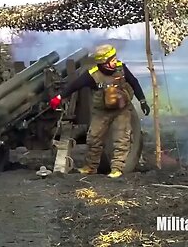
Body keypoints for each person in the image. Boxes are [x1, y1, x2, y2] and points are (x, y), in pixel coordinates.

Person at [49, 44, 150, 178]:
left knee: (122, 138)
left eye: (115, 58)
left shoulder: (121, 69)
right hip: (102, 112)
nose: (115, 61)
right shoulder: (92, 75)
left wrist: (142, 101)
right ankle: (90, 167)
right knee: (93, 139)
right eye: (111, 60)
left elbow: (134, 83)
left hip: (122, 110)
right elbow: (74, 86)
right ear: (104, 63)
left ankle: (117, 168)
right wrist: (59, 97)